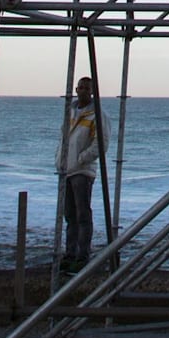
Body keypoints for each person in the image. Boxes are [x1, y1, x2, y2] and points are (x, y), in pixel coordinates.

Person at [56, 75, 106, 270]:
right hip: (67, 169)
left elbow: (100, 144)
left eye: (87, 88)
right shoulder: (70, 112)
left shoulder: (97, 115)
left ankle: (82, 255)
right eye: (81, 88)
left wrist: (81, 158)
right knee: (69, 214)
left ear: (92, 91)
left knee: (82, 213)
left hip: (82, 171)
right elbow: (62, 137)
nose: (83, 91)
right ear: (76, 90)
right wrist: (59, 159)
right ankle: (70, 253)